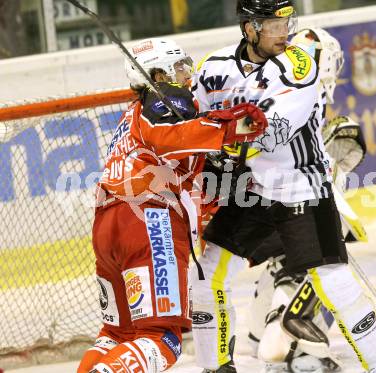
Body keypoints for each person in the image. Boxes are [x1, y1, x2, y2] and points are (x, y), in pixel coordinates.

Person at [190, 1, 376, 373]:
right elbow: (196, 117)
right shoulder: (215, 68)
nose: (284, 32)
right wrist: (191, 127)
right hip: (252, 189)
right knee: (207, 277)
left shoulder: (299, 65)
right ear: (249, 28)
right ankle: (216, 366)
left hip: (300, 186)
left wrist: (219, 138)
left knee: (333, 283)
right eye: (273, 24)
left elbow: (268, 129)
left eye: (286, 22)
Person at [76, 37, 267, 373]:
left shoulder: (132, 115)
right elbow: (170, 136)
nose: (186, 75)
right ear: (157, 74)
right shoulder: (166, 98)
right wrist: (231, 126)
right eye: (178, 67)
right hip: (149, 222)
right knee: (162, 339)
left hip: (108, 226)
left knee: (116, 336)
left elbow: (182, 165)